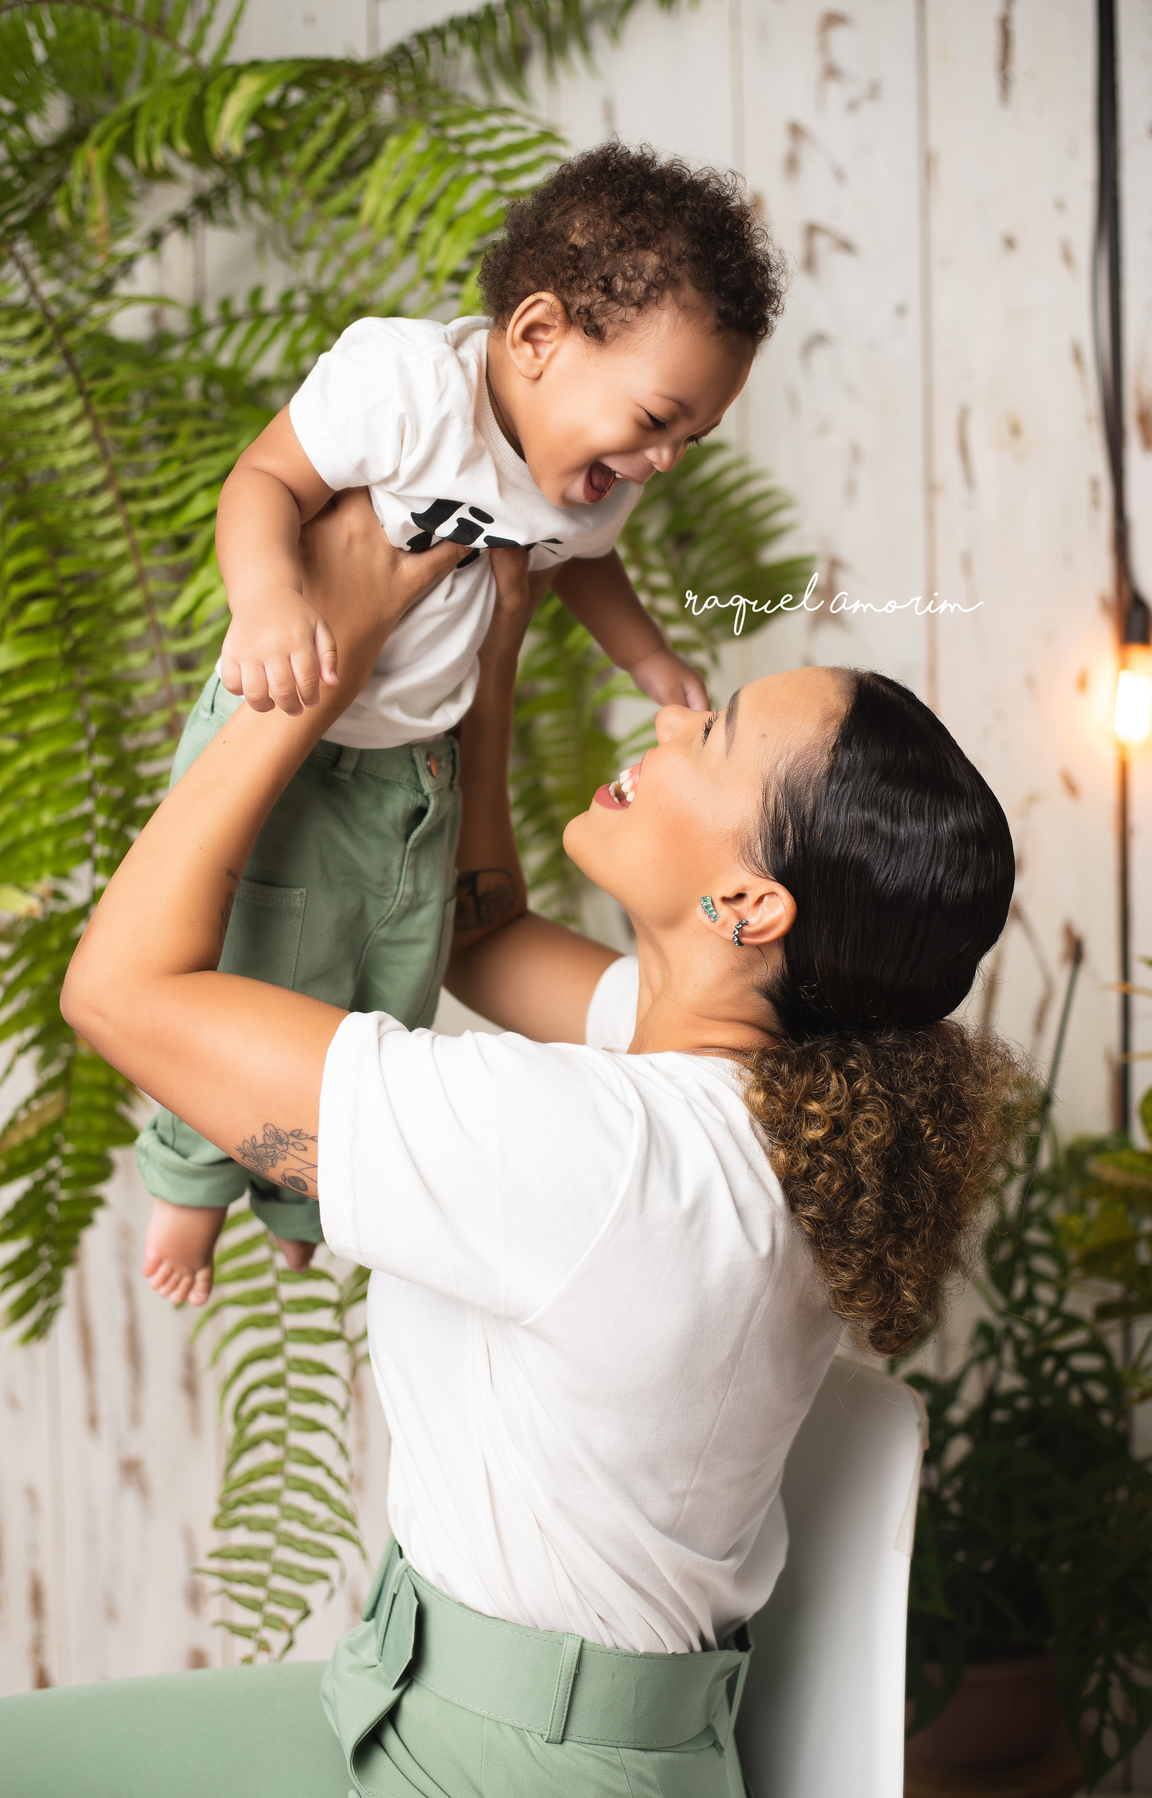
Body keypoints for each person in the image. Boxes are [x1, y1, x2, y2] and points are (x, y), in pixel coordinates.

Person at [11, 493, 1024, 1798]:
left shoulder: (610, 1159)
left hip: (506, 1771)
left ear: (746, 902)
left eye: (712, 731)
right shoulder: (759, 1096)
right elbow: (481, 934)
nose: (670, 715)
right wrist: (489, 658)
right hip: (421, 1700)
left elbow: (119, 991)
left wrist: (318, 659)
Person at [137, 140, 785, 1297]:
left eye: (690, 440)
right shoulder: (406, 390)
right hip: (292, 726)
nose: (664, 461)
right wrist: (272, 598)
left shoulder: (590, 480)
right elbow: (263, 481)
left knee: (392, 975)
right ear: (537, 337)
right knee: (254, 958)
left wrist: (645, 655)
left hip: (417, 761)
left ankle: (297, 1194)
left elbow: (583, 564)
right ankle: (188, 1186)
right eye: (656, 418)